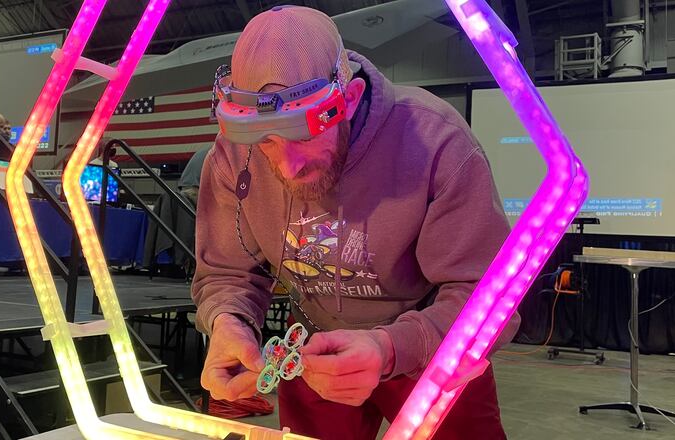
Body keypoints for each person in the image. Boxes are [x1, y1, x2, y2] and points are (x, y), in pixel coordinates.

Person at [192, 6, 520, 440]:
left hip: (431, 347)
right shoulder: (234, 154)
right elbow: (227, 271)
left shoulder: (436, 140)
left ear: (347, 99)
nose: (288, 168)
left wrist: (391, 348)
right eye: (267, 142)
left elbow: (488, 297)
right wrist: (229, 321)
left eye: (304, 136)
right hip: (312, 349)